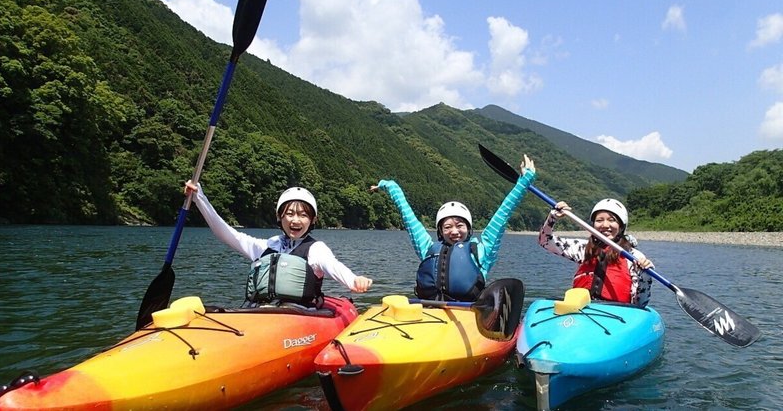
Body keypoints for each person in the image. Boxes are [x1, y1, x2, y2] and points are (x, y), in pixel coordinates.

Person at [370, 154, 536, 302]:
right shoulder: (428, 248)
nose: (454, 231)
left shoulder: (483, 250)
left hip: (468, 314)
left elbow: (503, 214)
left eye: (460, 225)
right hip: (431, 314)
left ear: (469, 228)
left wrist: (523, 183)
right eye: (447, 227)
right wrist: (388, 185)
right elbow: (407, 215)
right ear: (440, 231)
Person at [185, 181, 373, 308]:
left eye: (303, 215)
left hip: (300, 316)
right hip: (262, 313)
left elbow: (333, 266)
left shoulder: (316, 250)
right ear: (279, 216)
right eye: (289, 213)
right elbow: (226, 234)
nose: (295, 220)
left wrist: (353, 280)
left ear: (313, 219)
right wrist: (199, 198)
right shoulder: (268, 246)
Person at [538, 198, 653, 307]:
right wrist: (552, 218)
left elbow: (640, 303)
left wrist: (646, 275)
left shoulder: (634, 257)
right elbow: (545, 241)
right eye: (599, 220)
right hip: (581, 311)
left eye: (611, 220)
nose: (605, 225)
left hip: (617, 315)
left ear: (621, 226)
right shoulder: (583, 248)